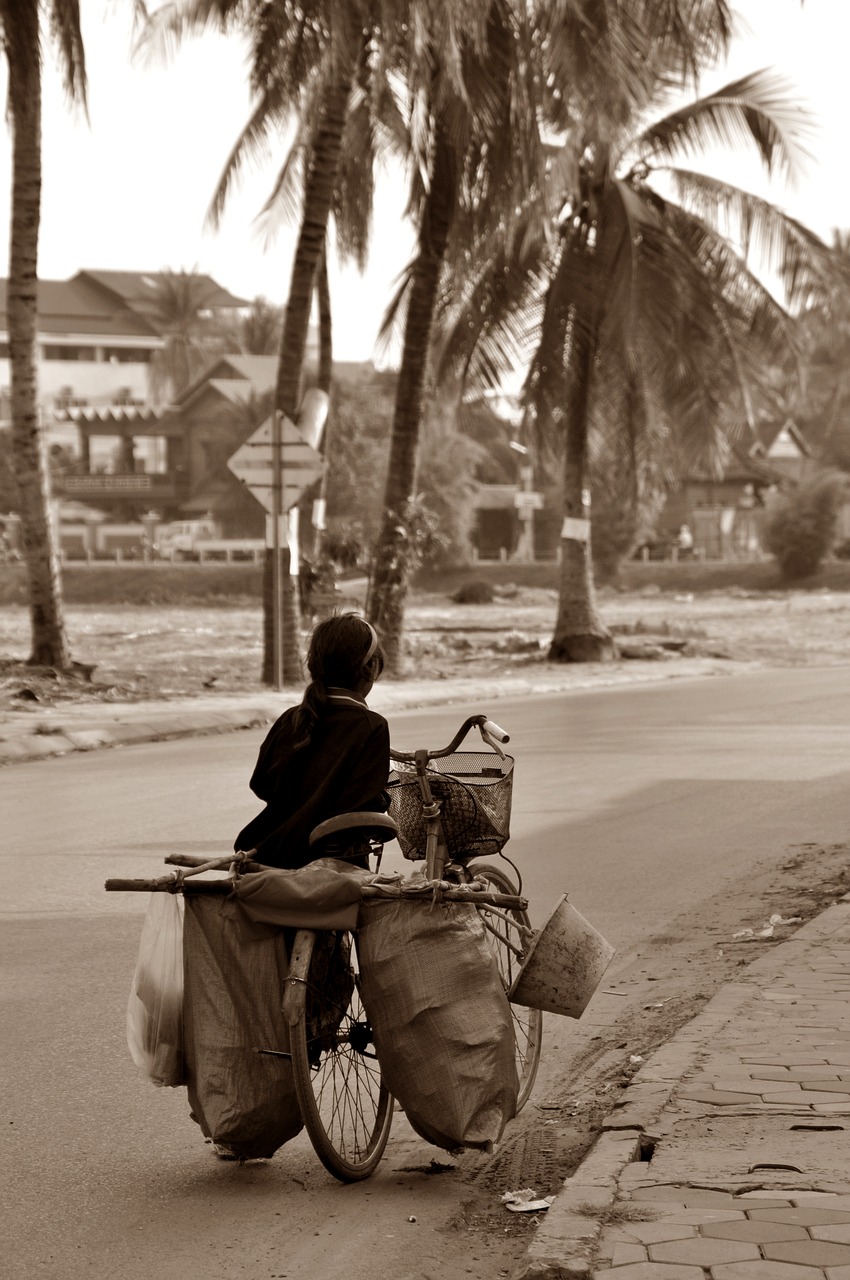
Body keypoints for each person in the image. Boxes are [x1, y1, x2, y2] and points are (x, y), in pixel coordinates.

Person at [234, 613, 391, 869]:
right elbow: (363, 805)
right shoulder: (372, 725)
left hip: (267, 850)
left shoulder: (291, 718)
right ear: (370, 668)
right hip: (336, 861)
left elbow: (261, 783)